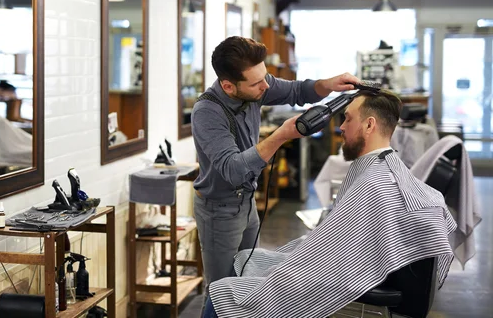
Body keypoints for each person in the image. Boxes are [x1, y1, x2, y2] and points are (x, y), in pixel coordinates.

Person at [203, 90, 457, 318]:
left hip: (344, 275)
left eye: (347, 119)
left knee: (222, 293)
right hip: (346, 263)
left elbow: (339, 254)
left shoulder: (377, 182)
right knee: (248, 258)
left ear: (369, 125)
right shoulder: (382, 170)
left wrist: (300, 260)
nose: (341, 128)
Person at [191, 36, 360, 314]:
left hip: (247, 203)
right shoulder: (207, 112)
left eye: (264, 77)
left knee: (250, 280)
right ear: (228, 86)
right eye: (257, 83)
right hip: (219, 211)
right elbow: (233, 169)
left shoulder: (255, 84)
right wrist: (281, 135)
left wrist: (329, 85)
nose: (266, 86)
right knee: (221, 292)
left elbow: (296, 91)